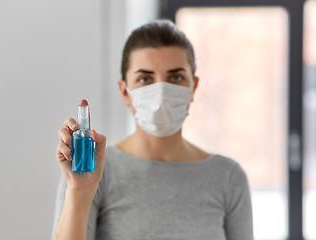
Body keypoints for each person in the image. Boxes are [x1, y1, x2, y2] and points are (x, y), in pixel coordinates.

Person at [52, 19, 253, 240]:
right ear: (125, 92)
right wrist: (80, 193)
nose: (160, 92)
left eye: (176, 77)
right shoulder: (92, 172)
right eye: (145, 79)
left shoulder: (227, 177)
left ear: (193, 88)